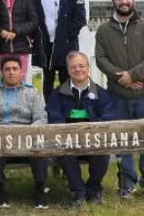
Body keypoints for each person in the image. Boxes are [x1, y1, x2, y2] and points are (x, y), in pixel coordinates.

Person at [93, 0, 144, 199]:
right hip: (118, 93)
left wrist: (133, 75)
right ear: (113, 1)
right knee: (122, 139)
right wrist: (121, 78)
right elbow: (101, 58)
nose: (123, 2)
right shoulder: (104, 30)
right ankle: (126, 182)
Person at [0, 55, 49, 208]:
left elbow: (40, 117)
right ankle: (0, 190)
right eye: (7, 69)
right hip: (0, 139)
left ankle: (40, 189)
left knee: (40, 150)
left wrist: (27, 133)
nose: (11, 73)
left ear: (21, 72)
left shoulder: (32, 92)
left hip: (26, 138)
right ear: (2, 72)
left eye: (15, 69)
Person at [47, 51, 115, 204]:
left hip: (93, 140)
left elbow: (108, 116)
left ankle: (94, 190)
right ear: (68, 69)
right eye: (73, 67)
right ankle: (79, 192)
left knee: (102, 153)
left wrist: (91, 130)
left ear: (88, 68)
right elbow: (53, 116)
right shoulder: (57, 94)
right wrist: (66, 131)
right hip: (68, 141)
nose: (78, 70)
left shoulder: (101, 93)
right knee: (64, 153)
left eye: (81, 66)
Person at [30, 0, 86, 99]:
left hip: (65, 41)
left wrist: (68, 35)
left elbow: (80, 16)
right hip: (45, 42)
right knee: (47, 80)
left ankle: (67, 114)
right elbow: (33, 14)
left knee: (66, 79)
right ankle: (50, 113)